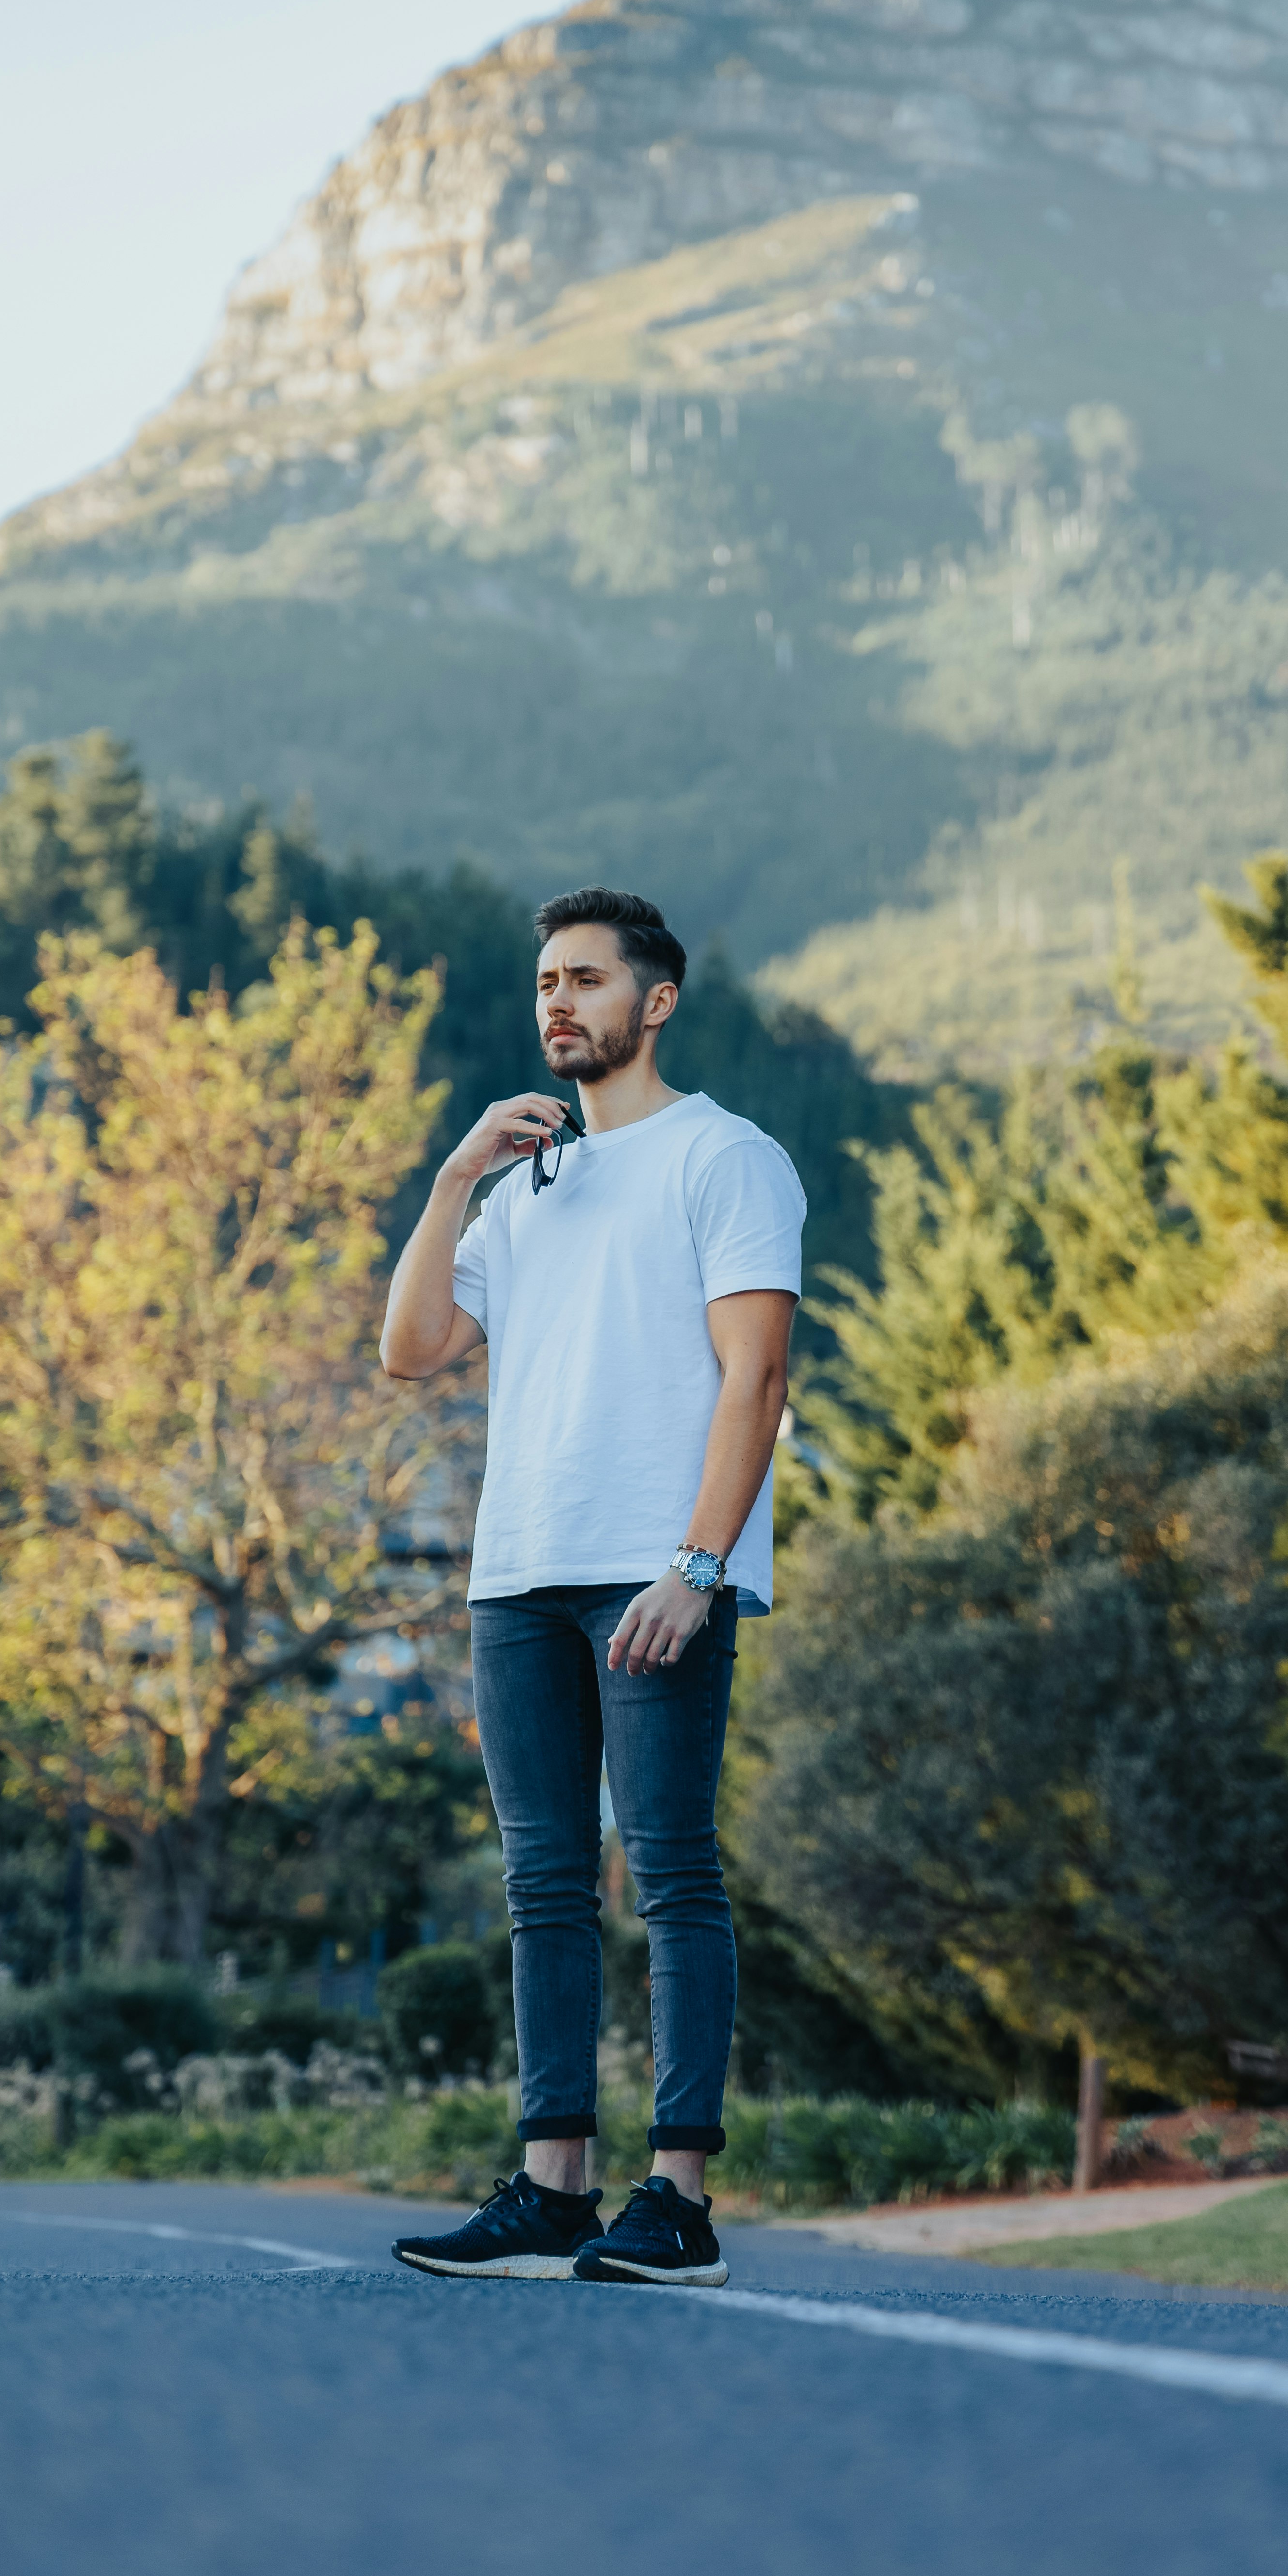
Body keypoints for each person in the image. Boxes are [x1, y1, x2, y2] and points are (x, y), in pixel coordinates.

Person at [379, 886, 805, 2287]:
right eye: (546, 982)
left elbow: (757, 1374)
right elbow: (413, 1348)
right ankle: (551, 2189)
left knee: (673, 1873)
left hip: (652, 1568)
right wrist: (453, 1181)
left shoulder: (725, 1159)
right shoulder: (526, 1187)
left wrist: (699, 1565)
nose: (559, 1002)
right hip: (521, 1572)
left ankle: (676, 2201)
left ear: (655, 1002)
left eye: (586, 980)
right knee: (545, 1883)